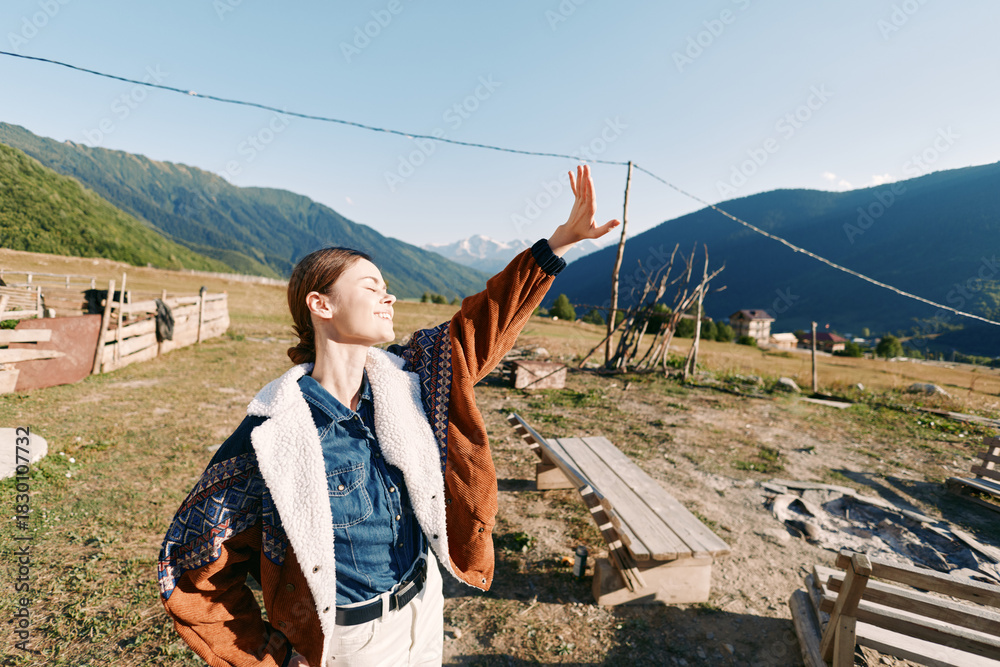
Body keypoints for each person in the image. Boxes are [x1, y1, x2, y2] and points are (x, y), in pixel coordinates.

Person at [157, 165, 620, 666]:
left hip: (425, 607)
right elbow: (192, 566)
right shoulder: (272, 437)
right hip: (350, 644)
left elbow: (483, 323)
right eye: (372, 286)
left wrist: (557, 246)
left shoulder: (412, 378)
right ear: (321, 304)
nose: (389, 296)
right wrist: (264, 656)